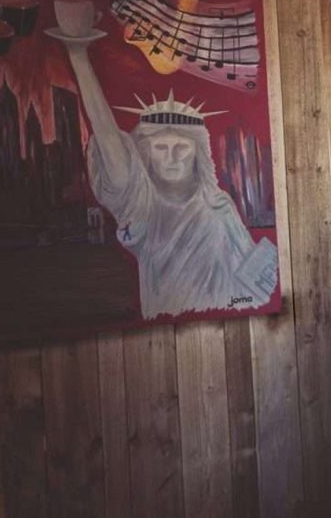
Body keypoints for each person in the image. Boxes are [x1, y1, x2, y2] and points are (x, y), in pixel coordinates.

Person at [59, 33, 278, 319]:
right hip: (173, 323)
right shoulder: (141, 203)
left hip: (236, 320)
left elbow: (259, 284)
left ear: (198, 154)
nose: (172, 157)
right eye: (161, 148)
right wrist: (79, 58)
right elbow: (109, 141)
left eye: (181, 147)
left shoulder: (219, 205)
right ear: (145, 156)